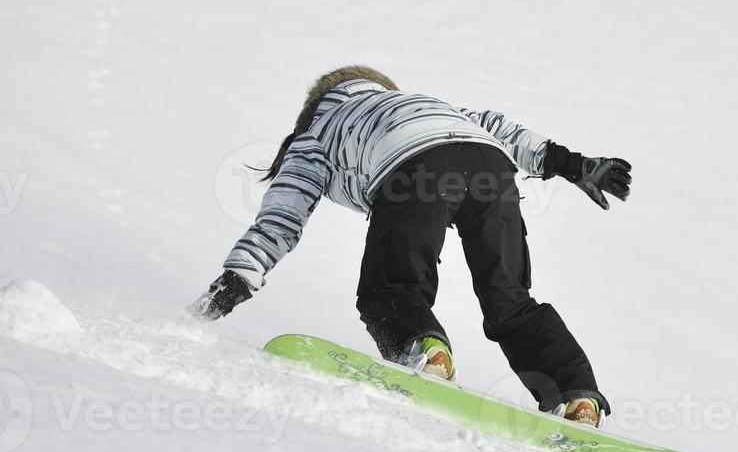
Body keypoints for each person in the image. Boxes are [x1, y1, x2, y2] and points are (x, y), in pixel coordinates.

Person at [188, 66, 632, 428]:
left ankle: (424, 350)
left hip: (414, 168)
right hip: (489, 165)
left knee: (389, 289)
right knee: (511, 302)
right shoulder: (424, 103)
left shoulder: (317, 133)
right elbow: (501, 128)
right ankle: (575, 396)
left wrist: (240, 276)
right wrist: (573, 165)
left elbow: (282, 217)